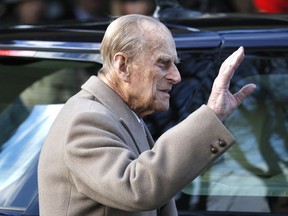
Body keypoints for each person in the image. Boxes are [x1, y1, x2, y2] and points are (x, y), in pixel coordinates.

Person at [38, 14, 256, 216]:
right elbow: (138, 187)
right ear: (123, 65)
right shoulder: (87, 119)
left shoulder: (117, 114)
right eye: (163, 63)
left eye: (175, 64)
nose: (176, 77)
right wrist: (212, 115)